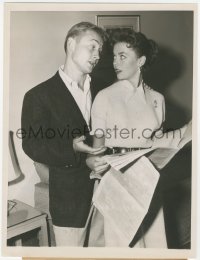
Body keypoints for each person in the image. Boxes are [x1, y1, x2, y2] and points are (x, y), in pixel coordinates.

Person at [84, 28, 190, 247]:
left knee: (154, 241)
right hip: (116, 179)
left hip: (148, 176)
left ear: (140, 61)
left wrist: (185, 133)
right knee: (121, 244)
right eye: (114, 56)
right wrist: (94, 164)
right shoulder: (104, 97)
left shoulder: (157, 99)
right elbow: (98, 149)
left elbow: (157, 141)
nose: (116, 62)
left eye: (123, 56)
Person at [21, 22, 106, 246]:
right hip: (69, 197)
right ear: (71, 44)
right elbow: (32, 145)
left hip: (106, 195)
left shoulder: (103, 90)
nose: (98, 55)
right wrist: (71, 147)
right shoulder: (38, 96)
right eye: (93, 47)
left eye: (100, 50)